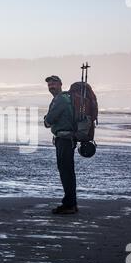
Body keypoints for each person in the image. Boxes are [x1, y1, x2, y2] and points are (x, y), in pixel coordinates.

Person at [44, 75, 78, 214]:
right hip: (67, 138)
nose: (51, 86)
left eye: (54, 83)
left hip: (64, 139)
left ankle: (69, 204)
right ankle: (71, 203)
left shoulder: (60, 100)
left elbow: (49, 120)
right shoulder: (65, 98)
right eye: (49, 84)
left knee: (66, 171)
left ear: (60, 84)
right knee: (68, 171)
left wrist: (46, 120)